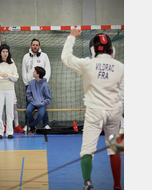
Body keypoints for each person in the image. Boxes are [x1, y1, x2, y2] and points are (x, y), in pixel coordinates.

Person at [61, 28, 124, 190]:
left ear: (92, 49)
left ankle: (88, 183)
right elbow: (125, 96)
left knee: (87, 151)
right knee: (114, 150)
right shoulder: (120, 66)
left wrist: (72, 36)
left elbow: (65, 57)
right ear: (111, 49)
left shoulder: (87, 64)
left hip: (94, 112)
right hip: (113, 113)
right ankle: (117, 186)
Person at [22, 38, 51, 131]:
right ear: (31, 46)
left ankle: (45, 124)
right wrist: (26, 82)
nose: (35, 46)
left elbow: (48, 69)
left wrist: (44, 81)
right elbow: (24, 70)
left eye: (37, 45)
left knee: (42, 106)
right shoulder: (26, 56)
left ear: (39, 46)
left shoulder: (44, 56)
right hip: (30, 85)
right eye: (33, 45)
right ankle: (29, 124)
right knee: (28, 106)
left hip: (41, 84)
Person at [0, 44, 19, 139]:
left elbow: (16, 77)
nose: (5, 54)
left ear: (8, 53)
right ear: (0, 53)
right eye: (3, 52)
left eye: (6, 52)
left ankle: (9, 132)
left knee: (10, 112)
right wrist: (9, 77)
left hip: (10, 90)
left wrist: (8, 75)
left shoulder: (12, 63)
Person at [25, 66, 52, 135]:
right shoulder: (32, 82)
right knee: (27, 111)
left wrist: (43, 103)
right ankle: (34, 125)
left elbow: (49, 99)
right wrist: (31, 100)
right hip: (33, 103)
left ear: (38, 75)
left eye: (34, 71)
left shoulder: (45, 85)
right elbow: (28, 93)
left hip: (41, 104)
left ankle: (32, 126)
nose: (33, 72)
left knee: (41, 114)